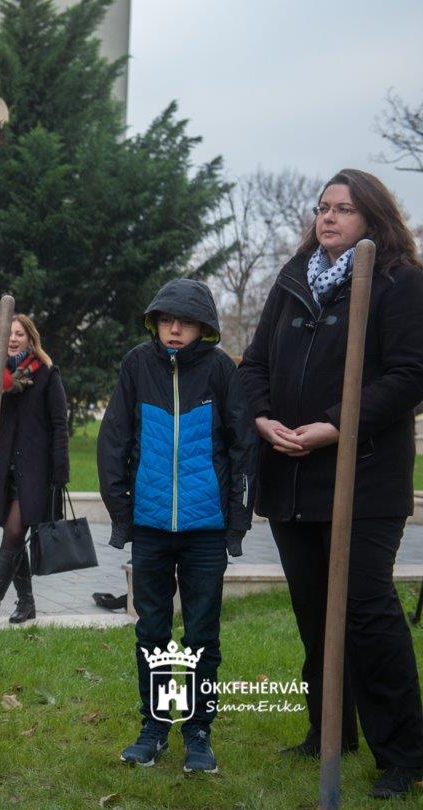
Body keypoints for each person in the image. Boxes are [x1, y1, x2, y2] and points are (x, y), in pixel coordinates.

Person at [238, 168, 423, 799]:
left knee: (367, 611)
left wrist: (335, 426)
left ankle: (403, 753)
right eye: (323, 208)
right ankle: (328, 731)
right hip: (290, 477)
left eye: (343, 209)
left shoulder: (399, 282)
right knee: (315, 611)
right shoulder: (293, 282)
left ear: (372, 216)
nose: (329, 218)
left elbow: (407, 377)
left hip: (363, 478)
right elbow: (255, 363)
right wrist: (262, 418)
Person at [97, 278, 255, 774]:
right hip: (150, 529)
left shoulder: (221, 371)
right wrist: (123, 514)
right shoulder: (136, 366)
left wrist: (236, 524)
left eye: (185, 321)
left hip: (206, 531)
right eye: (167, 319)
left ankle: (199, 731)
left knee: (202, 634)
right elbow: (113, 440)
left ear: (202, 327)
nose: (174, 328)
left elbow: (243, 447)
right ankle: (156, 726)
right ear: (155, 322)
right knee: (154, 634)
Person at [0, 314, 68, 626]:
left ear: (30, 338)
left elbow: (59, 425)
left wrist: (60, 473)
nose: (13, 338)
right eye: (8, 333)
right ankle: (27, 602)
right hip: (4, 471)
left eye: (19, 333)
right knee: (13, 536)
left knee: (15, 531)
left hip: (35, 471)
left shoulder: (45, 373)